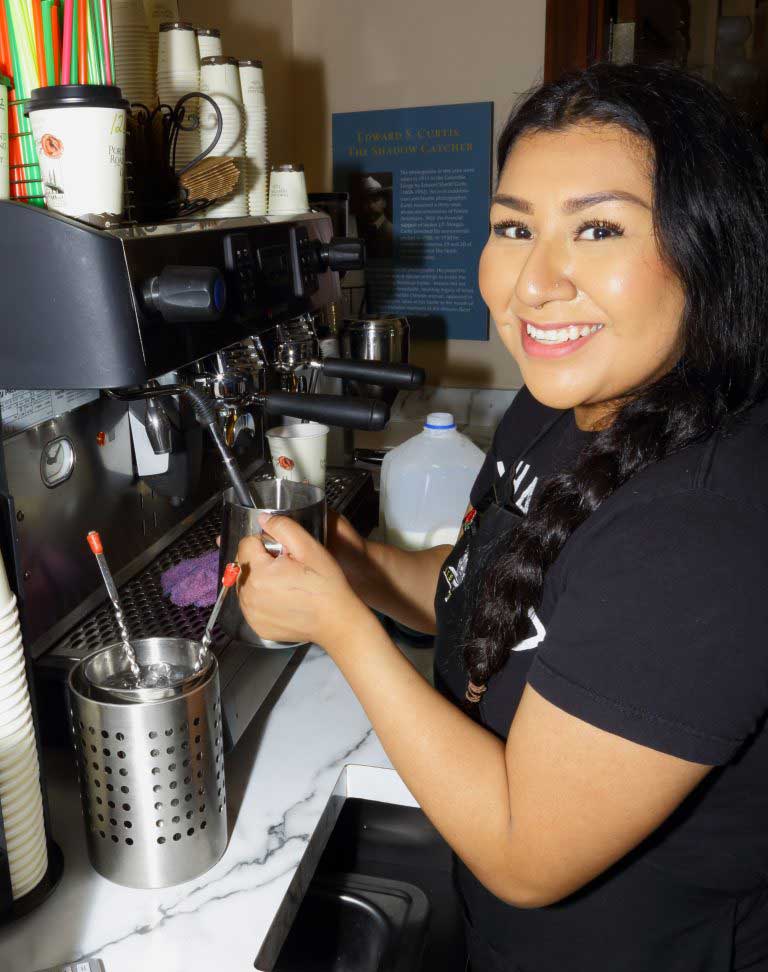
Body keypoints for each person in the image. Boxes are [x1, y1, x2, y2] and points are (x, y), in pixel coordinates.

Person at [237, 63, 768, 970]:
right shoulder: (564, 406)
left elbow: (527, 849)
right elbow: (486, 587)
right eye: (514, 228)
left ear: (707, 250)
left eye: (598, 228)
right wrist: (357, 571)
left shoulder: (707, 525)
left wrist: (342, 630)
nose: (535, 283)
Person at [358, 174, 394, 259]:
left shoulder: (390, 232)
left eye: (375, 200)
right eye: (366, 201)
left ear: (384, 203)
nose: (370, 206)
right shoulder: (363, 230)